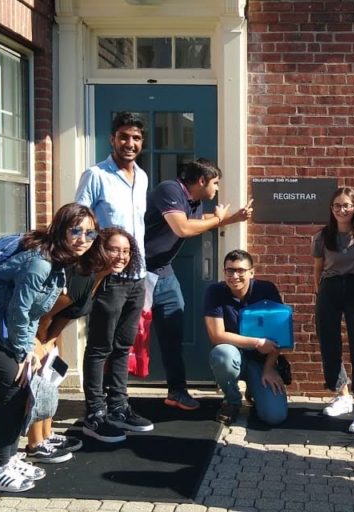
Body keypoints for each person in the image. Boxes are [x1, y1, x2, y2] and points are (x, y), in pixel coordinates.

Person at [0, 202, 98, 492]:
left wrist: (30, 345)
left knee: (20, 387)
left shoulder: (59, 263)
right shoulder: (41, 264)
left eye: (90, 234)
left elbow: (33, 311)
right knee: (14, 388)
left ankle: (10, 460)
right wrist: (26, 350)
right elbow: (19, 311)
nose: (83, 239)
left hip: (1, 324)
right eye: (76, 231)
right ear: (61, 229)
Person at [145, 158, 253, 411]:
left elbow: (197, 219)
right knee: (126, 335)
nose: (217, 188)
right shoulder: (169, 189)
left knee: (173, 332)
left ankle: (177, 391)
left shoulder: (195, 201)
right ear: (202, 180)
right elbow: (182, 227)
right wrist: (218, 220)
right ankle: (108, 396)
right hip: (139, 273)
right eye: (215, 183)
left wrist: (232, 218)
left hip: (164, 273)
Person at [24, 228, 135, 461]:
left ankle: (47, 435)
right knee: (39, 381)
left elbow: (67, 315)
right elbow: (45, 313)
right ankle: (36, 445)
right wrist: (41, 342)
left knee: (50, 379)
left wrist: (52, 340)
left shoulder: (99, 276)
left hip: (47, 333)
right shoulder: (83, 277)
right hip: (31, 330)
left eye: (126, 251)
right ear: (100, 250)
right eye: (114, 250)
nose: (122, 256)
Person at [75, 112, 152, 442]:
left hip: (137, 276)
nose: (129, 143)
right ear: (112, 139)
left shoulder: (142, 177)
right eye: (124, 137)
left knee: (124, 345)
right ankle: (94, 413)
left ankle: (118, 406)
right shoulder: (96, 175)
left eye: (136, 138)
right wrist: (99, 264)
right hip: (109, 278)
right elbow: (78, 224)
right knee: (99, 347)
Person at [312, 187, 354, 434]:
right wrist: (319, 292)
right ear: (331, 208)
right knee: (329, 341)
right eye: (337, 205)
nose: (342, 210)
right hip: (329, 288)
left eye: (347, 205)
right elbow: (318, 268)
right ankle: (343, 394)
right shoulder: (323, 236)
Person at [204, 249, 289, 426]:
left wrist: (269, 367)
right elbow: (216, 336)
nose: (235, 276)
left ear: (252, 272)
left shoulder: (266, 290)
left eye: (240, 270)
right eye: (230, 270)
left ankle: (254, 389)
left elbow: (279, 333)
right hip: (234, 357)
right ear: (224, 272)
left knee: (274, 416)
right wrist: (257, 342)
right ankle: (232, 400)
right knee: (222, 355)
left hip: (261, 360)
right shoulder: (215, 291)